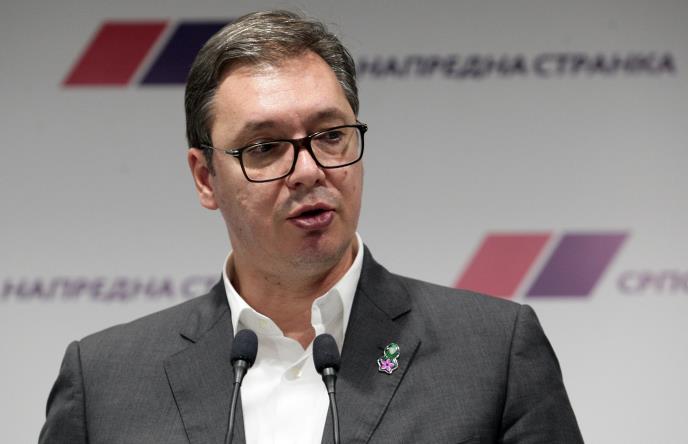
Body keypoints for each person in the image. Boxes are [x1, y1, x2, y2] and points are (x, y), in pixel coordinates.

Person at [39, 10, 583, 444]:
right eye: (265, 147)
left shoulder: (493, 352)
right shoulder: (104, 381)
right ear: (206, 178)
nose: (308, 171)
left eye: (330, 135)